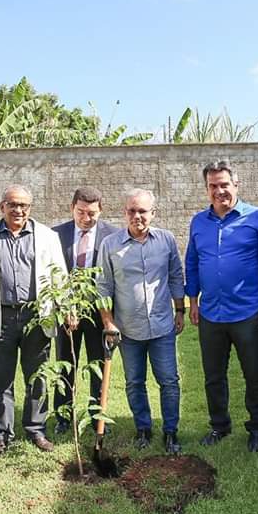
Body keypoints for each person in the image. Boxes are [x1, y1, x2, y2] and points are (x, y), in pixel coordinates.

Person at [185, 160, 258, 452]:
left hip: (247, 313)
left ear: (236, 185)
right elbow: (192, 262)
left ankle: (257, 428)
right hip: (210, 314)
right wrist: (193, 300)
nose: (219, 191)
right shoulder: (198, 222)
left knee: (254, 373)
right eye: (213, 186)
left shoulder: (256, 218)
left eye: (224, 185)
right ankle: (219, 425)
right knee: (213, 375)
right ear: (207, 189)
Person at [0, 184, 68, 456]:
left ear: (30, 209)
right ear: (2, 207)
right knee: (1, 379)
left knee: (37, 377)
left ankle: (36, 429)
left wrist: (67, 308)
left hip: (37, 316)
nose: (18, 210)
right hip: (0, 315)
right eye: (12, 204)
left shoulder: (47, 236)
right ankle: (3, 433)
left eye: (23, 205)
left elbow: (60, 276)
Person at [98, 189, 185, 454]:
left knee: (169, 381)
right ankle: (143, 429)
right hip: (128, 329)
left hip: (162, 327)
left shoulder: (166, 240)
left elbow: (175, 275)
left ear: (153, 214)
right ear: (125, 213)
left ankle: (171, 432)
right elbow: (103, 287)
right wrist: (108, 322)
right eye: (132, 211)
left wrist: (180, 310)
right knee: (134, 382)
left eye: (143, 211)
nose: (137, 216)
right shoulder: (110, 245)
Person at [51, 186, 117, 435]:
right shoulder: (56, 234)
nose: (86, 218)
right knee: (65, 364)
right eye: (81, 212)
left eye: (92, 213)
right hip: (66, 312)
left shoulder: (112, 236)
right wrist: (66, 307)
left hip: (99, 312)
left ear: (101, 211)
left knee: (98, 365)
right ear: (72, 208)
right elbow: (54, 274)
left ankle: (95, 416)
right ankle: (63, 417)